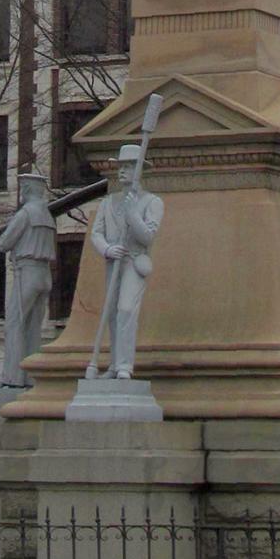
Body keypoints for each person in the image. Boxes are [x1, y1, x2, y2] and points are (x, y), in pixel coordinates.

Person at [87, 142, 164, 380]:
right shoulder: (108, 202)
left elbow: (148, 236)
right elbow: (96, 233)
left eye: (129, 166)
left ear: (139, 170)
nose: (122, 171)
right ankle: (113, 364)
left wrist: (132, 214)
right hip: (114, 261)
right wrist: (108, 249)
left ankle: (124, 366)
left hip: (134, 261)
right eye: (121, 166)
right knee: (111, 312)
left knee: (126, 309)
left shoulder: (152, 202)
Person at [0, 170, 56, 387]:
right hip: (44, 274)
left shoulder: (25, 214)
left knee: (15, 322)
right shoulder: (48, 216)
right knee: (34, 327)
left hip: (27, 272)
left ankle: (13, 377)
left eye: (22, 187)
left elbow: (4, 242)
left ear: (27, 189)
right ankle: (31, 376)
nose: (20, 192)